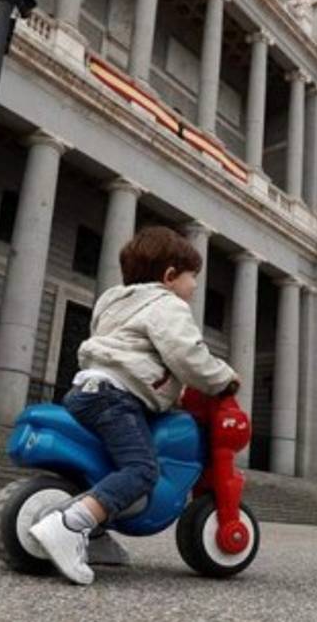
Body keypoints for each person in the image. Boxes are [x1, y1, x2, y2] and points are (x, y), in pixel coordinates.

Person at [29, 226, 239, 585]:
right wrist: (223, 379)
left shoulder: (113, 300)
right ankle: (70, 524)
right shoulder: (166, 304)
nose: (194, 288)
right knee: (142, 471)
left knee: (113, 463)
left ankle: (94, 537)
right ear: (170, 276)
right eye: (193, 279)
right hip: (116, 398)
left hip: (86, 392)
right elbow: (186, 354)